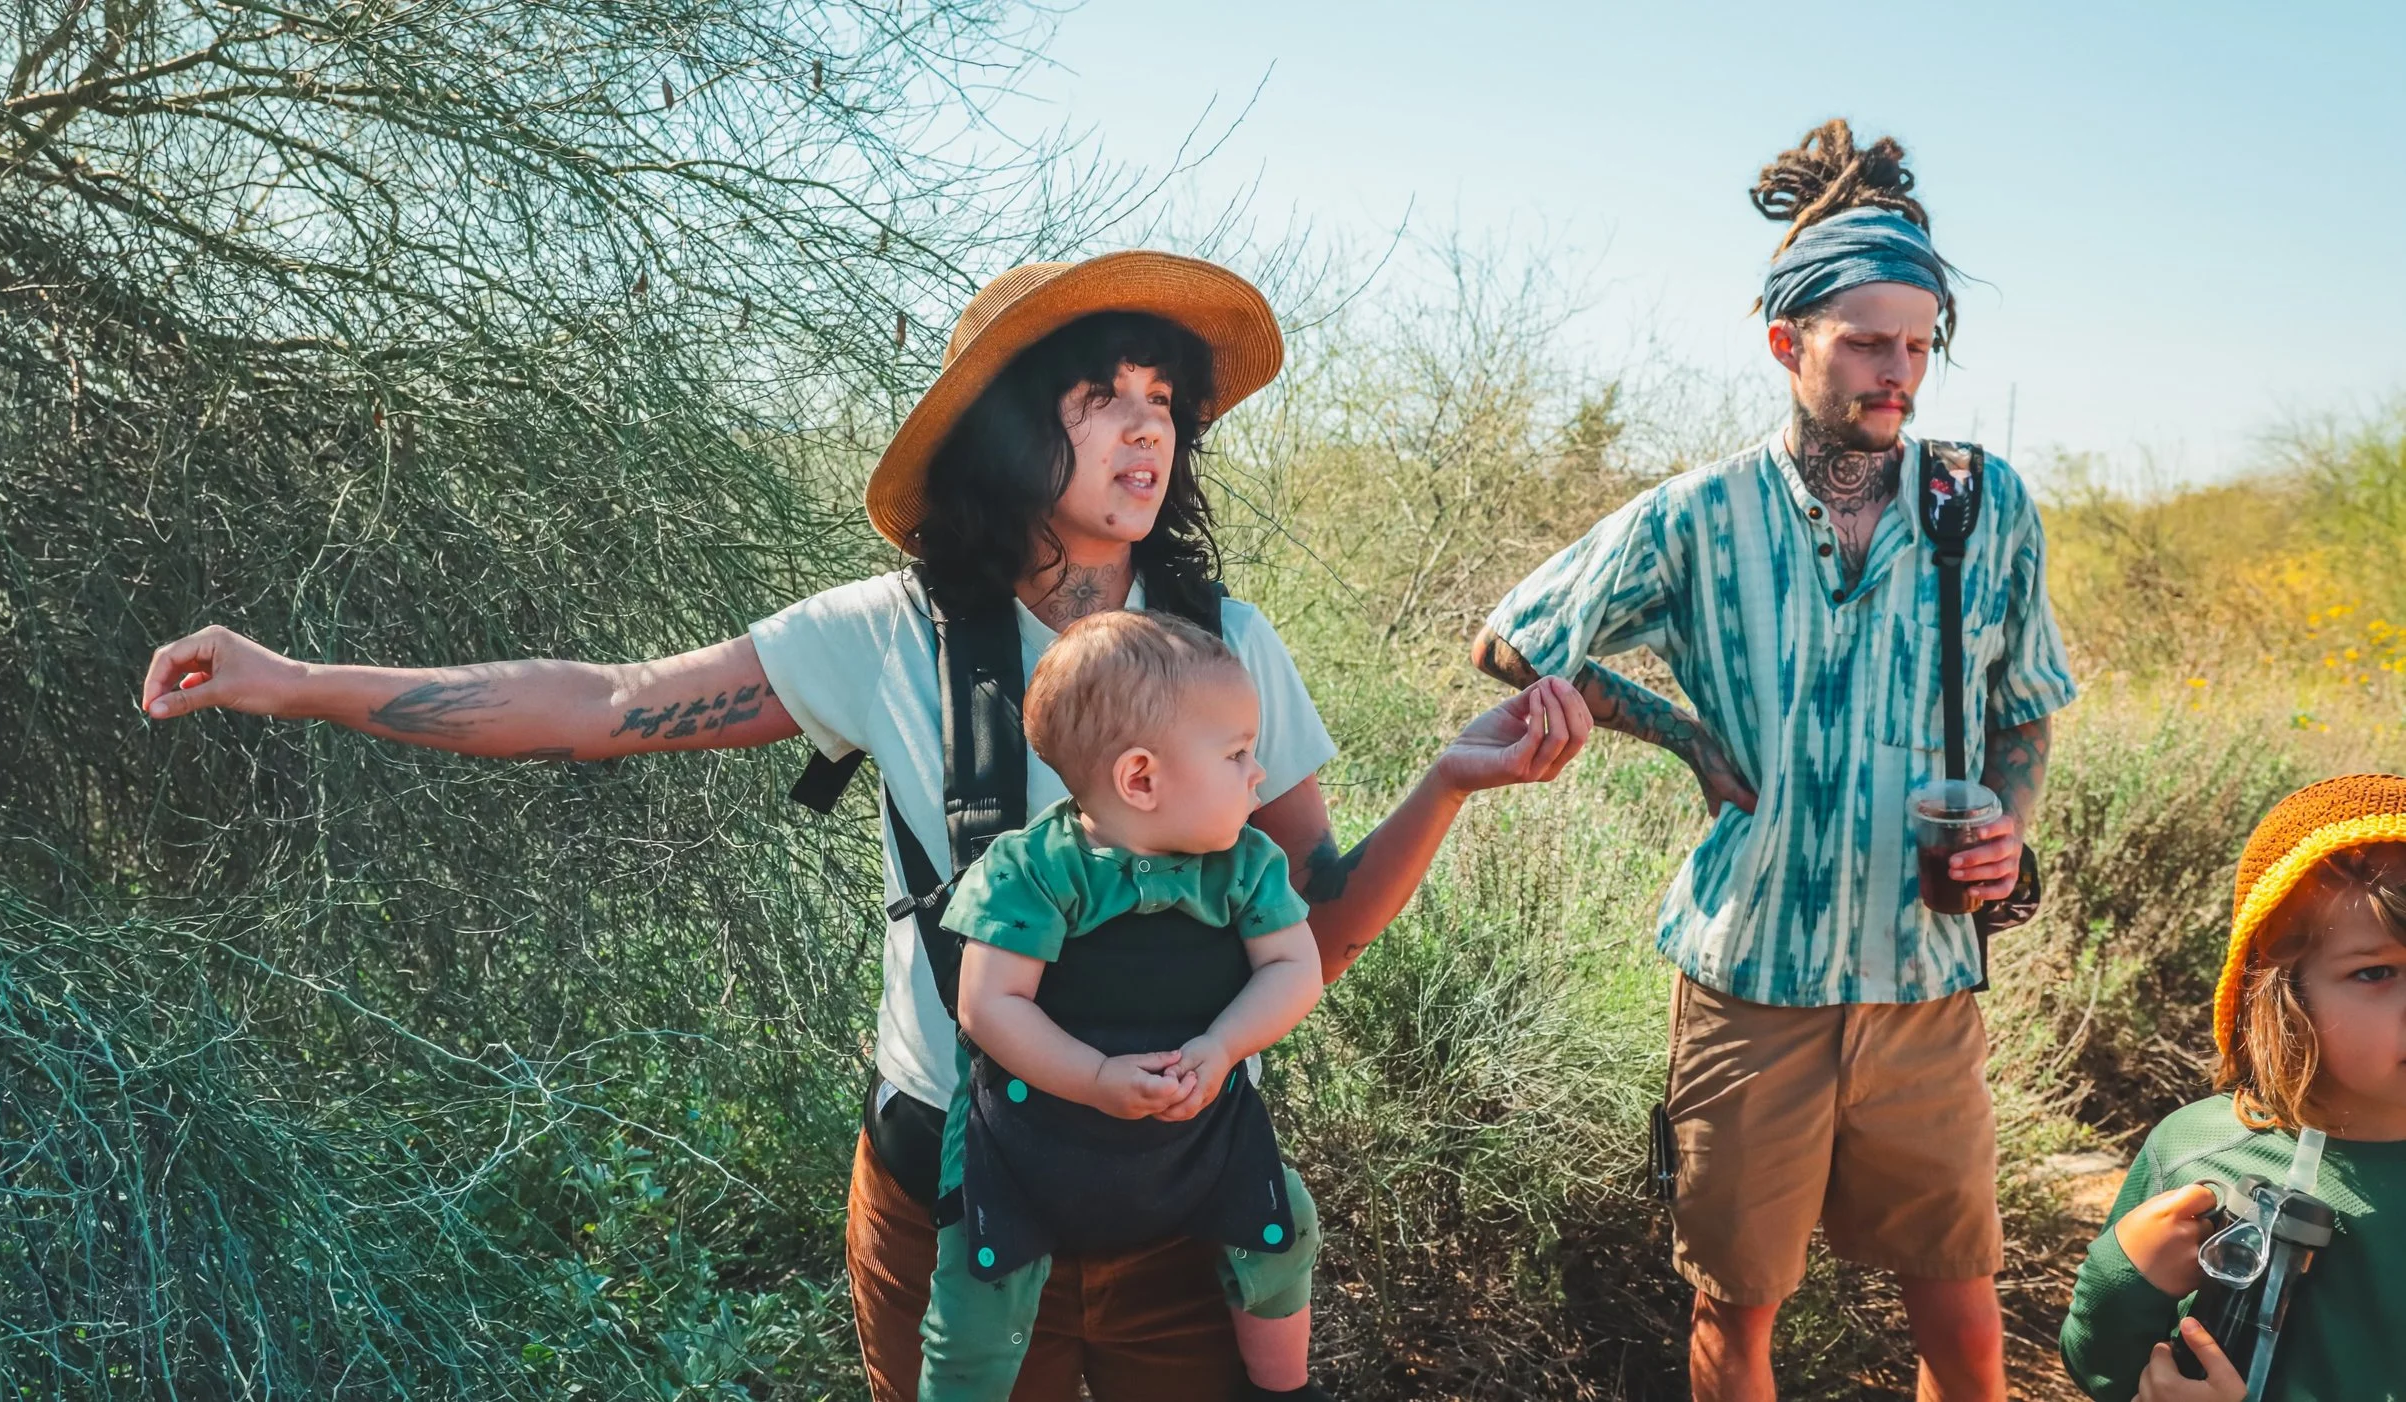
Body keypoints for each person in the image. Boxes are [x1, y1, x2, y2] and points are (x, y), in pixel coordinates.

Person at [139, 250, 1590, 1401]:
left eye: (1165, 399)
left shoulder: (1227, 642)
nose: (1148, 423)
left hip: (1180, 1193)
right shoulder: (884, 636)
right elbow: (601, 701)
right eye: (1102, 396)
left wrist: (1449, 784)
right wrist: (301, 682)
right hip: (952, 1182)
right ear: (1013, 427)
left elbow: (1318, 915)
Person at [1471, 121, 2078, 1402]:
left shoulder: (1986, 502)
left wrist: (2006, 828)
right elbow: (1515, 641)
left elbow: (2027, 706)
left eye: (1918, 345)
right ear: (1785, 342)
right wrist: (1685, 736)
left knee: (1963, 1320)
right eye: (1865, 340)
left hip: (1924, 981)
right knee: (1736, 1310)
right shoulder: (1695, 517)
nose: (1896, 371)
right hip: (1751, 979)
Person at [927, 611, 1328, 1401]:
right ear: (1140, 779)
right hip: (1028, 1139)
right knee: (979, 1280)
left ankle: (1283, 1391)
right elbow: (989, 1005)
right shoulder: (1033, 869)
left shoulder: (1246, 865)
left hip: (1197, 1128)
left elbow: (1294, 968)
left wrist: (1222, 1046)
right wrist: (1095, 1076)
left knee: (1284, 1229)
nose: (1261, 771)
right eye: (1238, 753)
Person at [2060, 774, 2406, 1402]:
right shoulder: (2201, 1151)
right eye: (2376, 971)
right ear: (2279, 994)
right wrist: (2123, 1276)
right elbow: (2104, 1371)